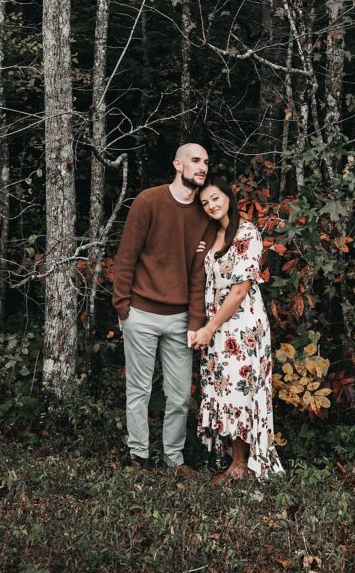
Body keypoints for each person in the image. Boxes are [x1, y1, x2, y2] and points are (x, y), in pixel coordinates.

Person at [111, 143, 215, 474]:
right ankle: (138, 456)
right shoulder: (149, 201)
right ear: (177, 164)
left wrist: (196, 321)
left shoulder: (204, 213)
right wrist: (122, 306)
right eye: (196, 161)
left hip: (181, 318)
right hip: (140, 312)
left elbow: (199, 273)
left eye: (206, 162)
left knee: (180, 396)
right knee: (138, 390)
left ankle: (174, 459)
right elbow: (126, 255)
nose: (202, 167)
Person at [192, 175, 283, 482]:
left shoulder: (247, 233)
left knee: (242, 393)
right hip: (218, 327)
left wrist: (209, 328)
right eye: (205, 202)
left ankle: (242, 464)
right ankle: (234, 460)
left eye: (215, 198)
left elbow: (240, 290)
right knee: (225, 391)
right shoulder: (212, 235)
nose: (211, 205)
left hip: (242, 327)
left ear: (228, 197)